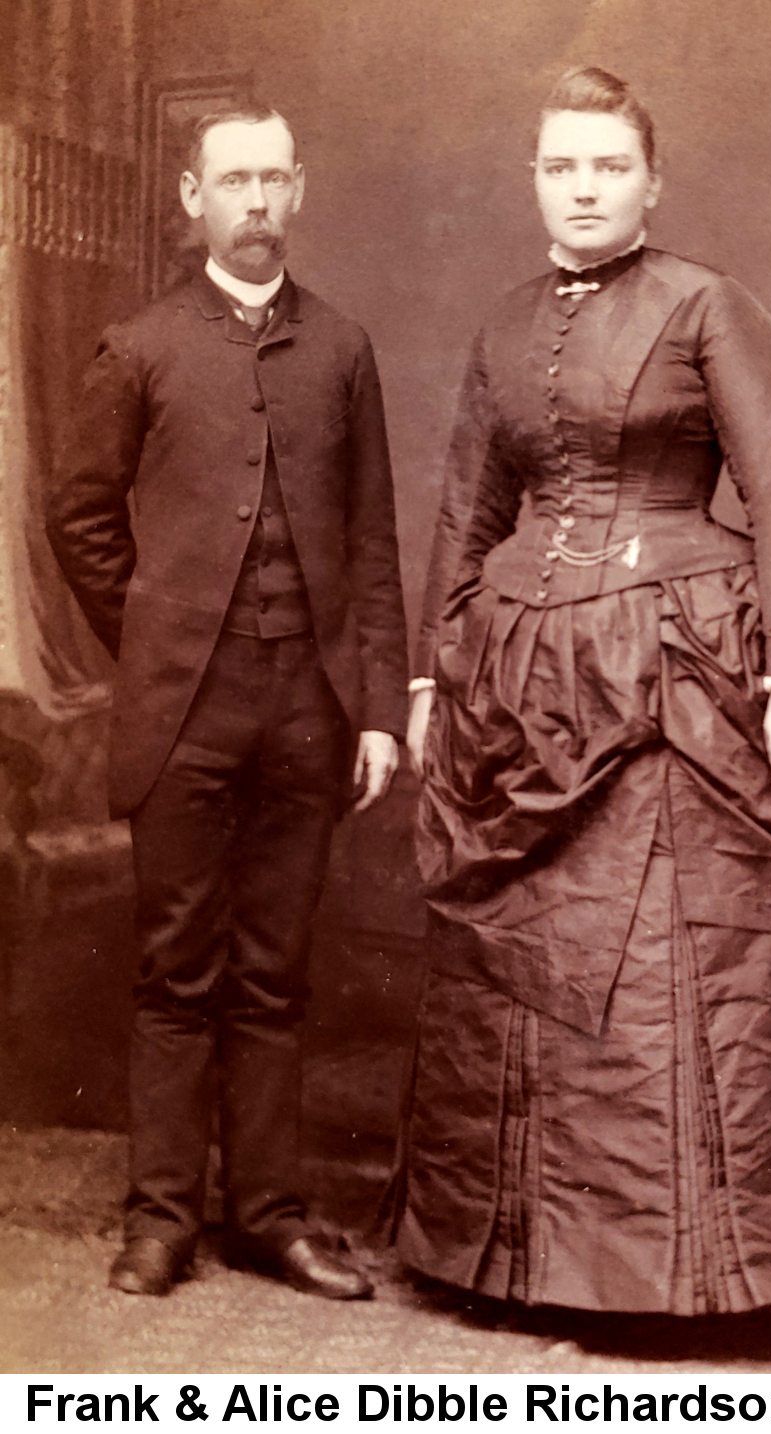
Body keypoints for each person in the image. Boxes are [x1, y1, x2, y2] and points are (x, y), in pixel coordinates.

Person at [393, 67, 771, 1315]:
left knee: (680, 960)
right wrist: (431, 675)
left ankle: (696, 1275)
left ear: (650, 182)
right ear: (535, 179)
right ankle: (537, 1263)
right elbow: (469, 513)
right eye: (560, 166)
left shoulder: (708, 308)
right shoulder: (505, 324)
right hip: (521, 678)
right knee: (536, 959)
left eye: (607, 166)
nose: (583, 188)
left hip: (683, 666)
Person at [46, 106, 408, 1300]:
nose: (255, 200)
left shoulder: (343, 349)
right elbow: (81, 521)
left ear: (298, 192)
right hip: (182, 713)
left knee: (275, 969)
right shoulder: (139, 347)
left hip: (307, 709)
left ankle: (268, 1213)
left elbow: (369, 544)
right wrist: (156, 640)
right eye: (231, 180)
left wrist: (374, 713)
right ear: (193, 199)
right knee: (174, 969)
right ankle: (161, 1216)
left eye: (273, 179)